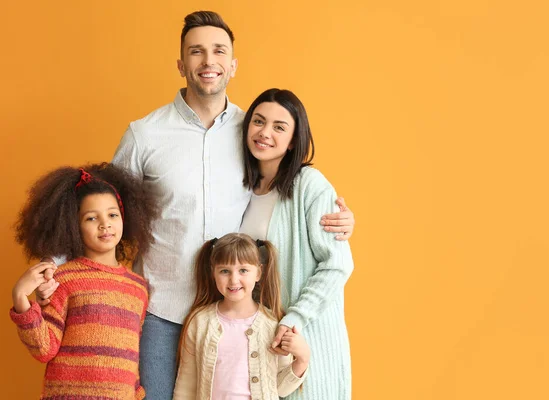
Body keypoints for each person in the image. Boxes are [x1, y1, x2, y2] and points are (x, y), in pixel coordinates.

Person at [37, 11, 354, 399]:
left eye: (219, 51)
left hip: (234, 314)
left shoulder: (252, 132)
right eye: (196, 52)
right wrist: (52, 264)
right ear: (181, 64)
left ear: (233, 65)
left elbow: (286, 190)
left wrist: (339, 220)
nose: (208, 61)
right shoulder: (145, 134)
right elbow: (101, 205)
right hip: (161, 313)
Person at [239, 88, 354, 399]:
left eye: (279, 127)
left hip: (305, 340)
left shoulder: (310, 185)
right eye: (258, 122)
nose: (264, 133)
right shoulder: (240, 186)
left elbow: (338, 263)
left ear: (293, 141)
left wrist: (297, 318)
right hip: (257, 345)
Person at [10, 163, 158, 399]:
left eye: (112, 214)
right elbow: (44, 349)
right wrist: (21, 299)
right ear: (73, 226)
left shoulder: (138, 288)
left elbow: (130, 357)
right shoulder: (63, 279)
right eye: (91, 218)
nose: (105, 224)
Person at [173, 233, 310, 399]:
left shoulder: (273, 325)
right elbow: (186, 384)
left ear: (258, 273)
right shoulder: (200, 322)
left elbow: (279, 388)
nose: (234, 280)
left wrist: (302, 358)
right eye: (225, 271)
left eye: (243, 270)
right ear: (213, 272)